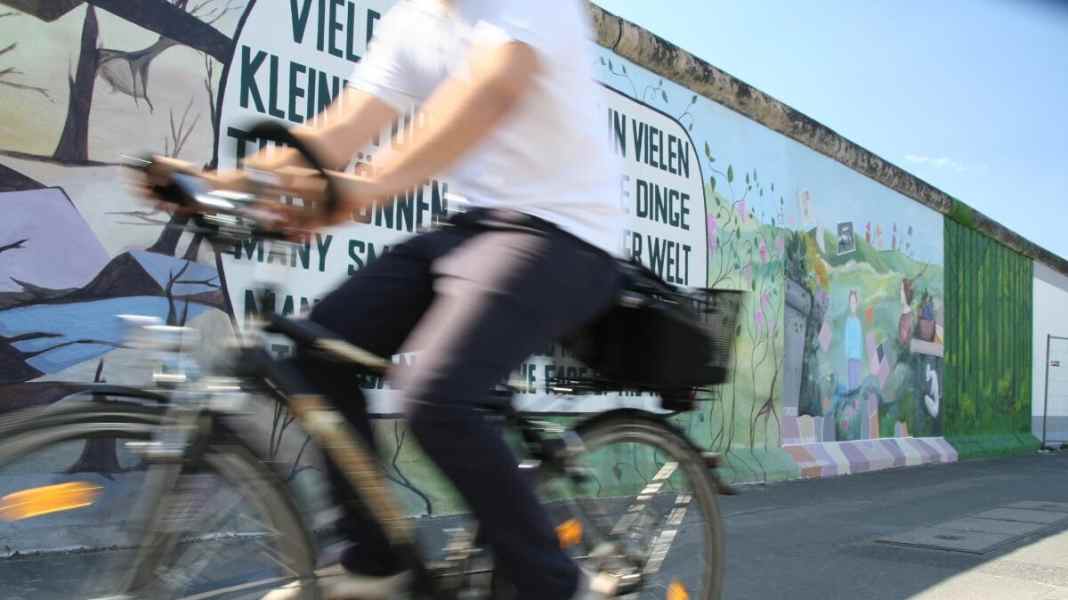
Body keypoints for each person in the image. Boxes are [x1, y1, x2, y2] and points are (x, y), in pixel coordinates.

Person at [159, 1, 626, 598]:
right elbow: (337, 131)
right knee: (313, 350)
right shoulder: (415, 19)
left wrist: (358, 190)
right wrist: (221, 186)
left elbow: (485, 95)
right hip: (472, 229)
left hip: (567, 235)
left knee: (434, 395)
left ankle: (558, 586)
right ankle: (378, 566)